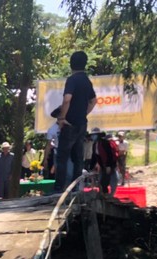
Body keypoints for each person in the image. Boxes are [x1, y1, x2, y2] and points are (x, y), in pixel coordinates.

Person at [53, 51, 97, 193]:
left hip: (69, 124)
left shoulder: (72, 80)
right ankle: (75, 188)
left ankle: (59, 189)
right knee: (78, 157)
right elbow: (93, 101)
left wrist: (61, 118)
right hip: (82, 124)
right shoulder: (86, 81)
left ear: (71, 64)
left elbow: (67, 99)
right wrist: (83, 114)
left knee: (62, 157)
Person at [88, 127, 118, 194]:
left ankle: (110, 194)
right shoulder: (95, 144)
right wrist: (91, 167)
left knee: (109, 180)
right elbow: (94, 157)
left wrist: (108, 165)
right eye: (92, 135)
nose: (93, 137)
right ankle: (104, 193)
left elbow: (109, 154)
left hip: (109, 165)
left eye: (94, 135)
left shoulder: (105, 143)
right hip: (102, 165)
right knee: (103, 181)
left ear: (98, 135)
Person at [43, 107, 61, 179]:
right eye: (59, 115)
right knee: (58, 172)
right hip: (58, 152)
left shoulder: (69, 125)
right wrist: (45, 159)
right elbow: (48, 145)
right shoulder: (52, 129)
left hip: (69, 151)